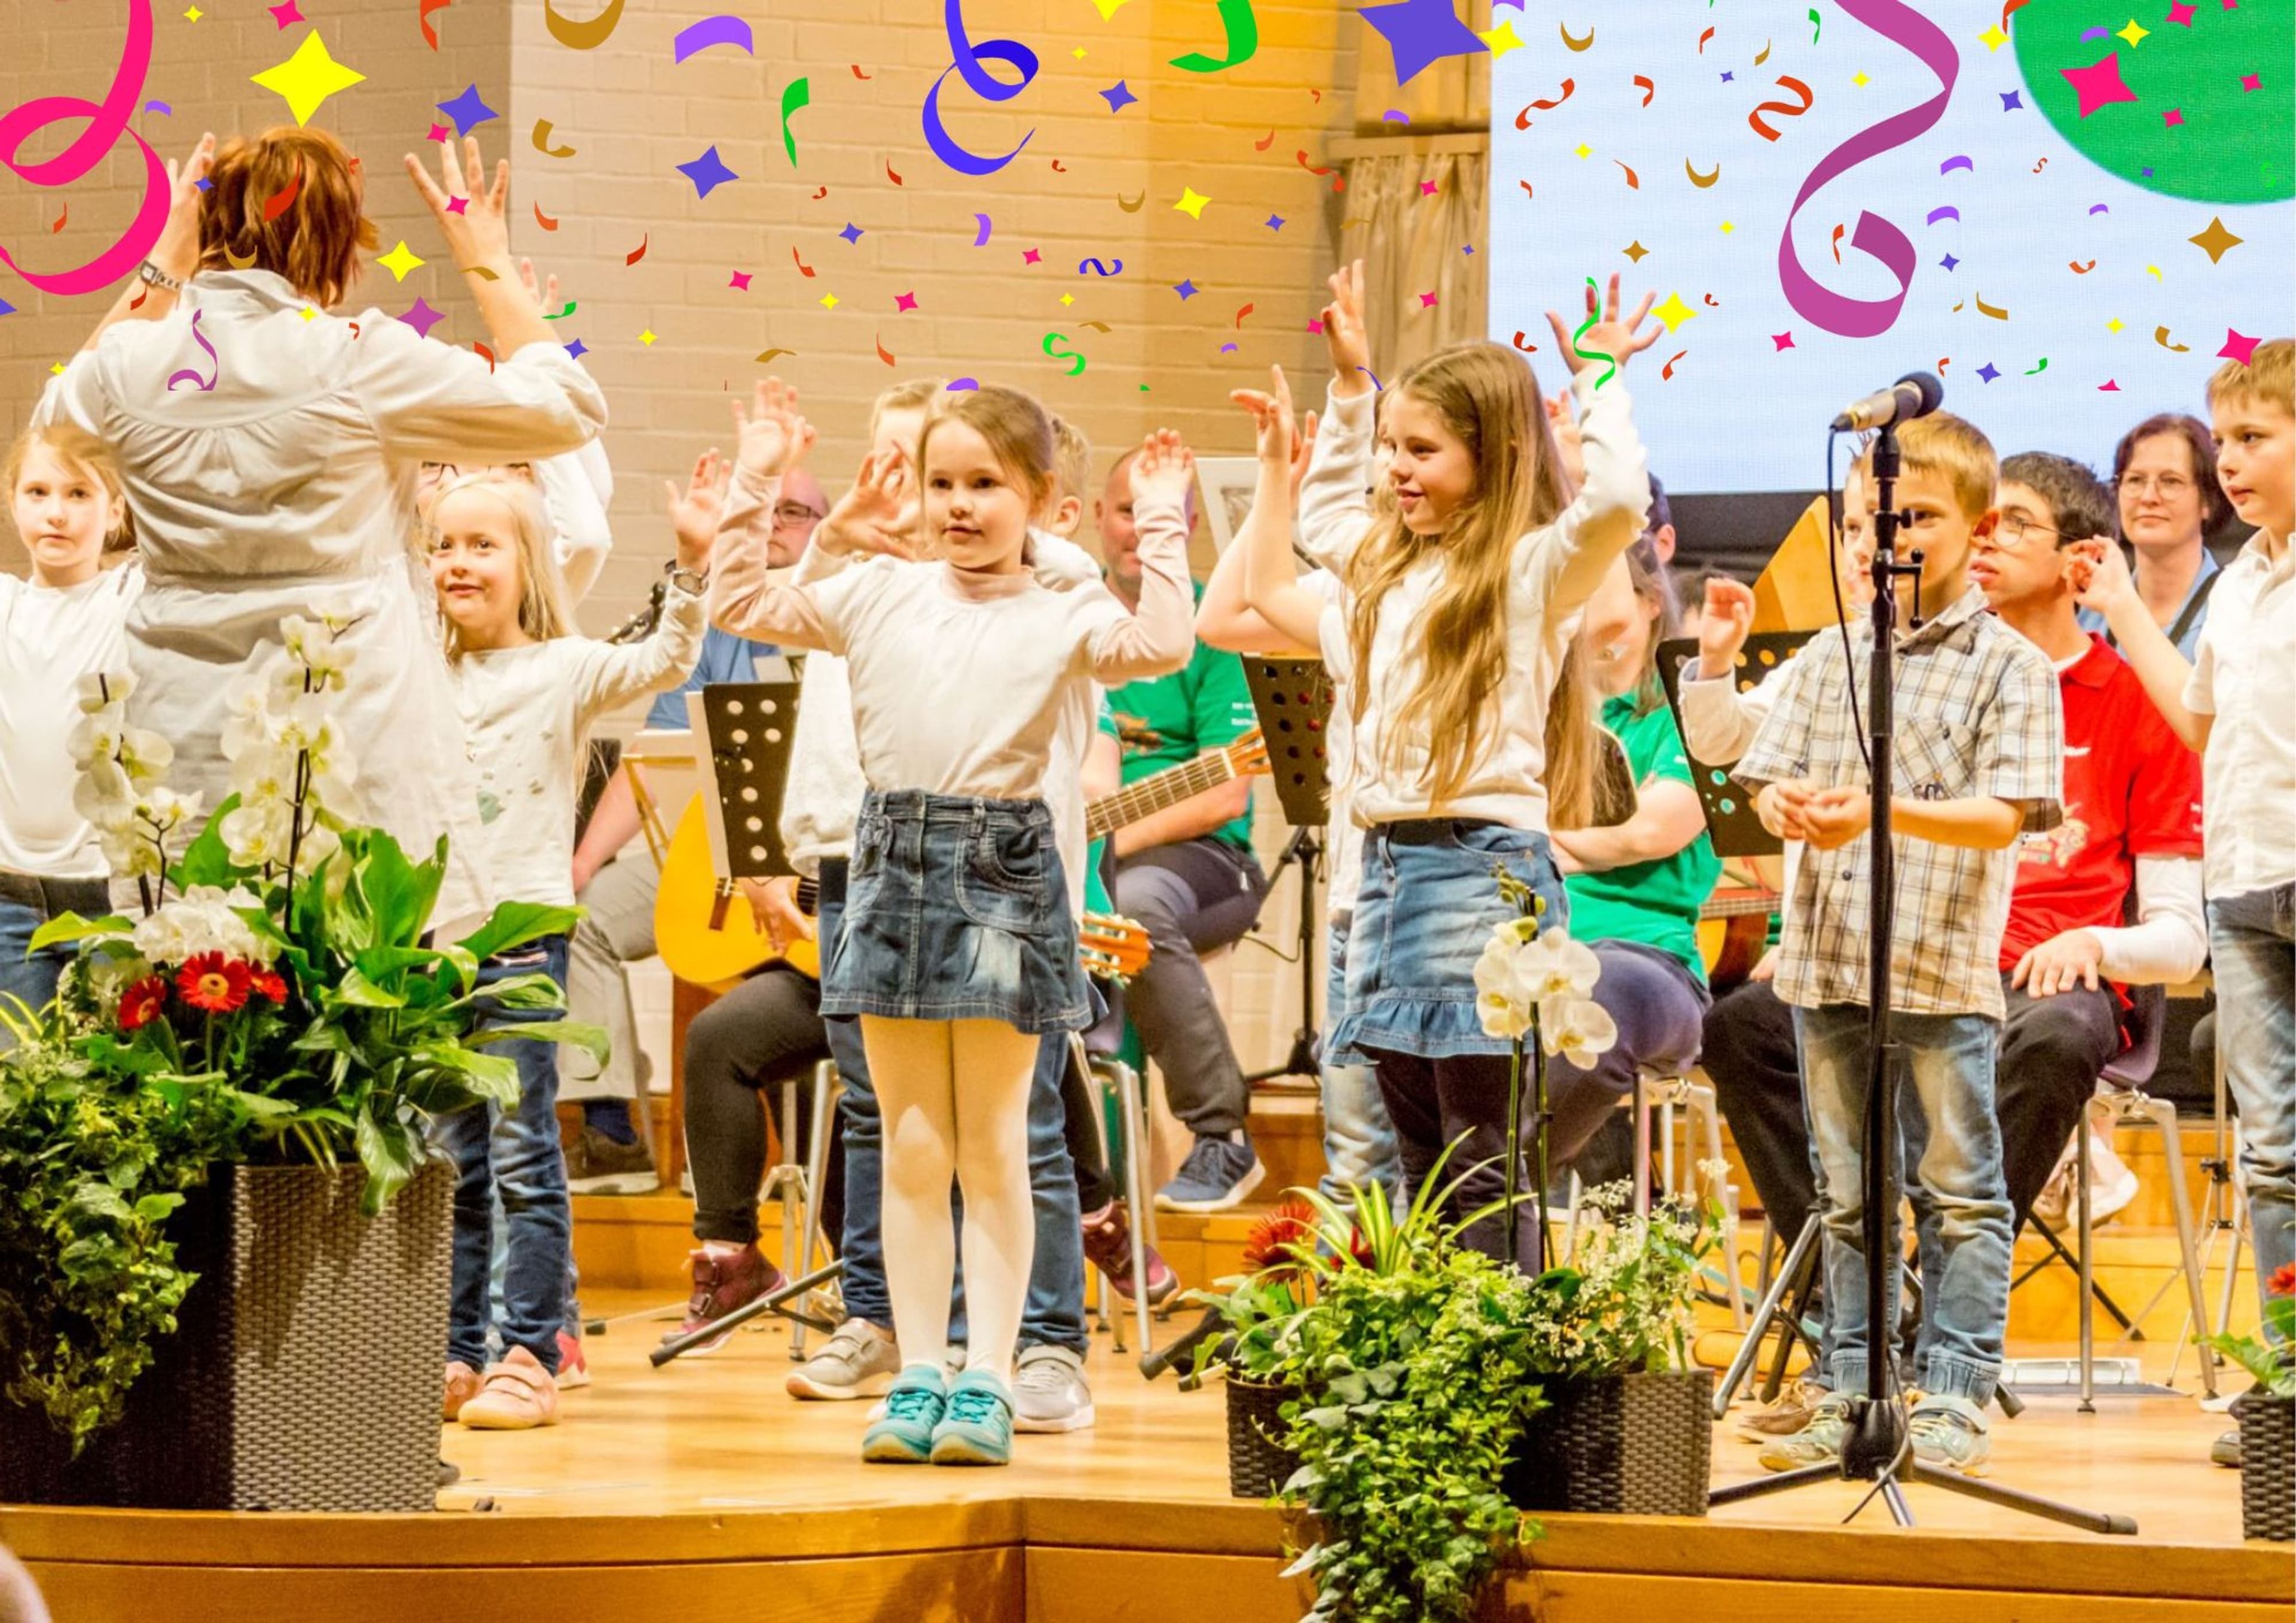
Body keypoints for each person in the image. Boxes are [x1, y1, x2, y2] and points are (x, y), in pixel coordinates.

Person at [708, 384, 1193, 1467]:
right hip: (888, 862)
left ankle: (990, 1373)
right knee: (913, 1144)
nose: (961, 506)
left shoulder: (1061, 607)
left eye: (986, 485)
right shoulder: (877, 593)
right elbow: (739, 598)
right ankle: (919, 1367)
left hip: (1004, 869)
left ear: (1041, 500)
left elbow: (1163, 640)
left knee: (993, 1145)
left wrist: (1160, 515)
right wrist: (759, 471)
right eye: (943, 484)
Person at [33, 129, 605, 937]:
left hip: (181, 750)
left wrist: (167, 256)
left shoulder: (132, 361)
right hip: (350, 750)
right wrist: (485, 257)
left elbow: (51, 426)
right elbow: (569, 406)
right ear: (337, 241)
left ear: (211, 227)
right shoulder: (356, 358)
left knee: (203, 1013)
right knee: (354, 1042)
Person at [1281, 262, 1658, 1264]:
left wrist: (1604, 379)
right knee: (1416, 1154)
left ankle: (1496, 1372)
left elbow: (1618, 499)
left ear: (1491, 456)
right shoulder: (1386, 561)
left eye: (1423, 450)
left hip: (1483, 871)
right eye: (1391, 450)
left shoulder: (1533, 569)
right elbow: (1317, 519)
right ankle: (1438, 1367)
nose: (1396, 469)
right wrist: (1352, 392)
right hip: (1387, 878)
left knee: (1478, 1155)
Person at [1734, 413, 2064, 1476]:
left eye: (1918, 517)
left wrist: (1883, 807)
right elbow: (1767, 777)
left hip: (1938, 964)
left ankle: (1957, 1386)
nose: (1892, 541)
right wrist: (1785, 803)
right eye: (1871, 522)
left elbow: (2006, 813)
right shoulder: (1830, 655)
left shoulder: (2010, 665)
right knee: (1850, 1194)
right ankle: (1851, 1383)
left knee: (1961, 1191)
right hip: (1829, 959)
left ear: (1978, 526)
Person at [429, 470, 704, 1430]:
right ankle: (456, 1350)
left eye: (482, 545)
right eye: (443, 546)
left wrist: (696, 561)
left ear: (526, 563)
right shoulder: (418, 669)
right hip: (429, 946)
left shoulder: (561, 665)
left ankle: (530, 1349)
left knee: (520, 1151)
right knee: (447, 1157)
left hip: (522, 937)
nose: (459, 562)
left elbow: (667, 659)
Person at [2079, 338, 2294, 1467]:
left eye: (2255, 440)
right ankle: (2293, 1384)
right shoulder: (2251, 581)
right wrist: (2122, 605)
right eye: (2232, 443)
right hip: (2249, 892)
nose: (2234, 465)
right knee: (2271, 1153)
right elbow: (2198, 726)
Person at [558, 384, 832, 1194]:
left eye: (796, 512)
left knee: (801, 973)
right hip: (715, 856)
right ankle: (612, 1133)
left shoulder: (844, 609)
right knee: (585, 920)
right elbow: (656, 750)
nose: (777, 526)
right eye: (766, 507)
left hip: (819, 872)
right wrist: (582, 864)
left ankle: (812, 1175)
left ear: (825, 530)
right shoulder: (714, 619)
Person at [1195, 395, 1409, 1209]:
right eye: (1385, 451)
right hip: (1360, 890)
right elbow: (1220, 617)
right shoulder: (1349, 590)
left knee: (1424, 1148)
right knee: (1355, 1146)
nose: (1395, 471)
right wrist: (1276, 478)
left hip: (1429, 887)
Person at [1095, 446, 1271, 1214]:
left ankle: (1220, 1136)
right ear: (1099, 519)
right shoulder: (1067, 622)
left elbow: (1224, 793)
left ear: (1191, 524)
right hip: (1067, 852)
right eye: (1125, 509)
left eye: (1156, 511)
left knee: (1131, 906)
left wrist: (1104, 841)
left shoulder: (1215, 630)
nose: (1138, 528)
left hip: (1202, 860)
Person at [1547, 536, 1723, 1181]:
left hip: (1649, 959)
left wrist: (1549, 842)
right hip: (1535, 943)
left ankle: (1503, 1187)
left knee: (1598, 991)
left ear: (1651, 601)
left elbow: (1652, 833)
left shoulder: (1690, 707)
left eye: (1595, 576)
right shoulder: (1545, 707)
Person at [1, 427, 141, 1025]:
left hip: (105, 902)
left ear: (116, 510)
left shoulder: (133, 597)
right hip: (9, 903)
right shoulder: (4, 604)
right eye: (36, 491)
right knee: (18, 1094)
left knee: (109, 1098)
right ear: (12, 502)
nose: (56, 513)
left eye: (79, 494)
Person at [2078, 412, 2235, 661]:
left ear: (2208, 501)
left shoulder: (2237, 609)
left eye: (2171, 482)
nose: (2148, 497)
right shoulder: (2088, 608)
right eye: (2135, 480)